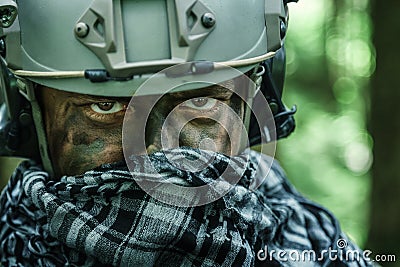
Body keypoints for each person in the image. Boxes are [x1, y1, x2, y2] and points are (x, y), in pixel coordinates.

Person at [0, 0, 372, 266]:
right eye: (105, 107)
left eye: (199, 105)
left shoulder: (318, 247)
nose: (155, 152)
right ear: (32, 116)